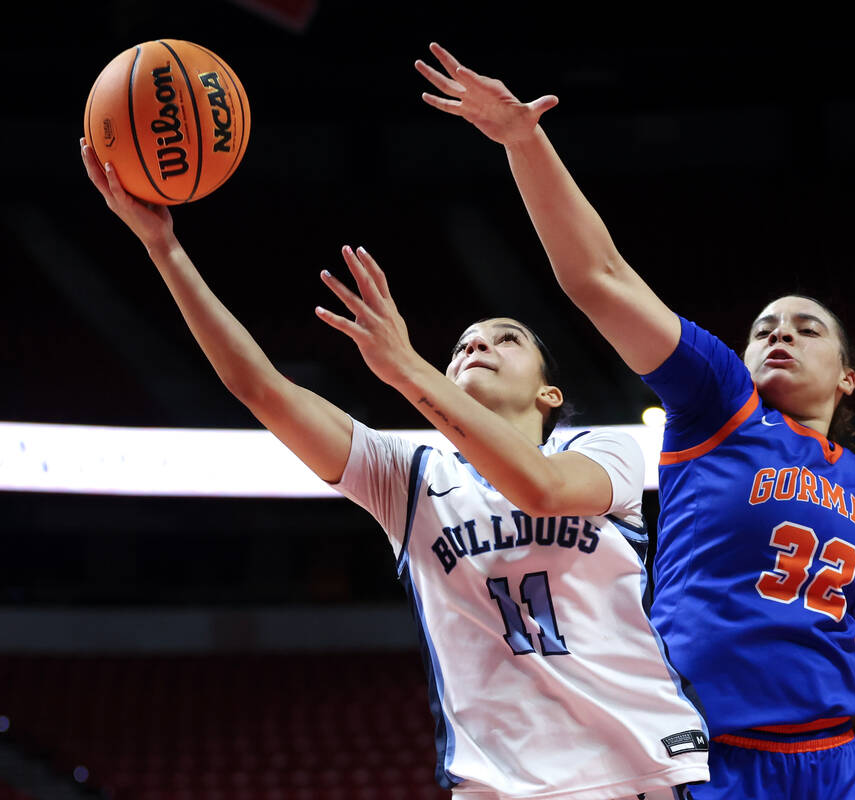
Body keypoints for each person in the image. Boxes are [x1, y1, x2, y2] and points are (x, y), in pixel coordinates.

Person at [415, 43, 855, 799]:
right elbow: (599, 278)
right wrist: (524, 142)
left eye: (805, 327)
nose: (779, 334)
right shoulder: (718, 405)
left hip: (832, 758)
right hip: (709, 753)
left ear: (848, 375)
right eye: (764, 327)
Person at [80, 139, 709, 800]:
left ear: (549, 394)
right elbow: (261, 389)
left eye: (505, 338)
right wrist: (164, 248)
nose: (477, 344)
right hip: (503, 787)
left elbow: (544, 490)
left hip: (645, 771)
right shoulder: (407, 477)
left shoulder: (603, 448)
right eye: (465, 342)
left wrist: (408, 368)